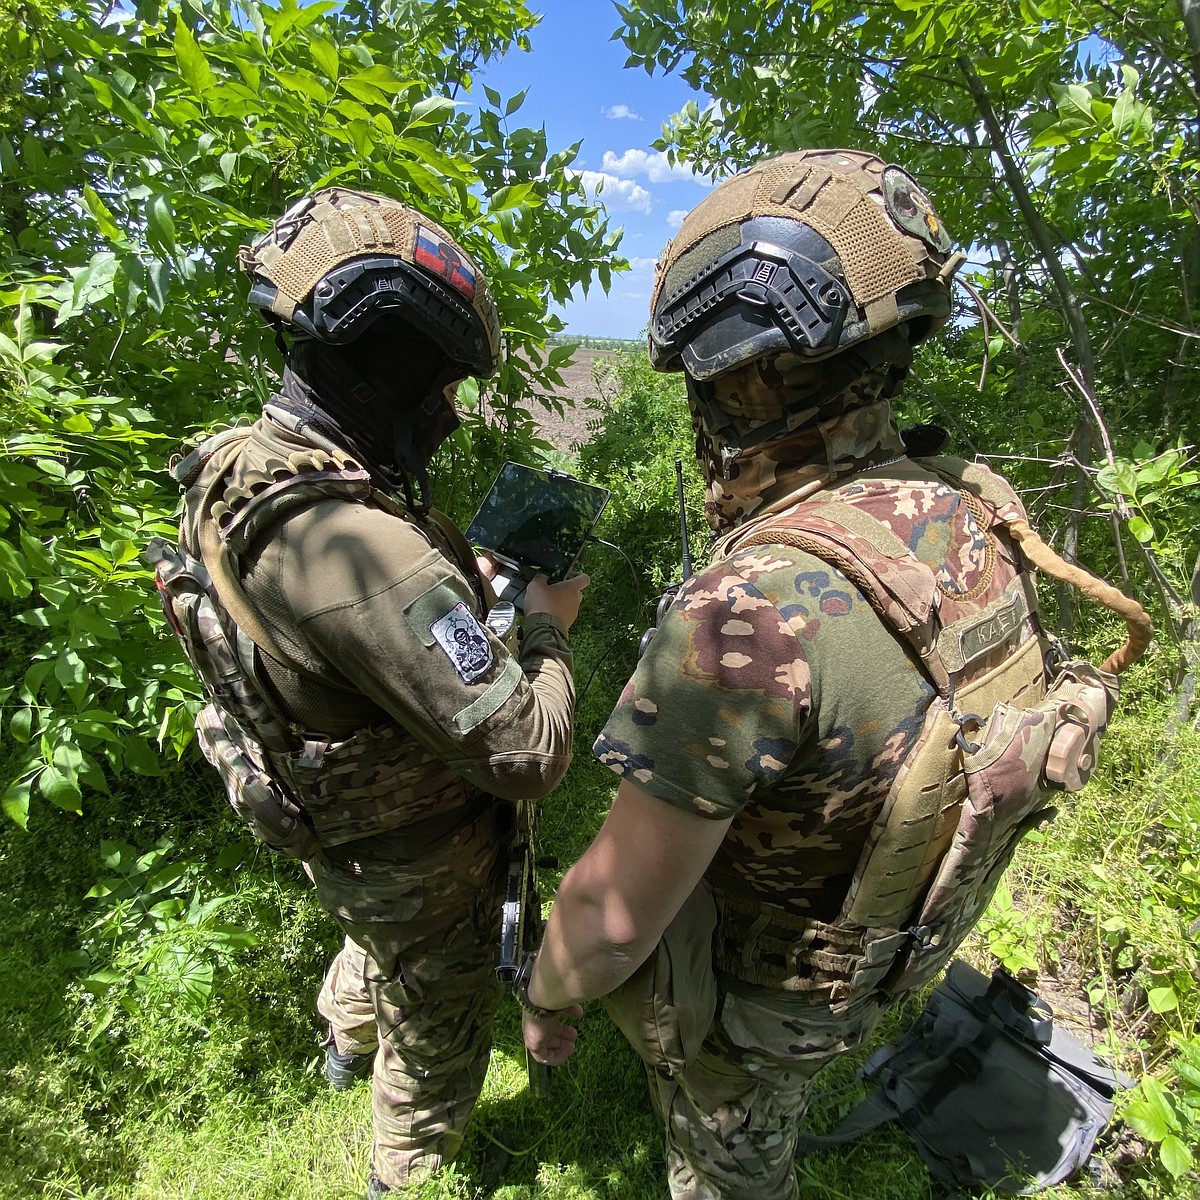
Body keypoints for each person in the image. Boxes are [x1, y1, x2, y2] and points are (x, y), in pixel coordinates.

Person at [518, 149, 1056, 1198]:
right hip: (886, 949)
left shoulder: (749, 610)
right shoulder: (965, 507)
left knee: (734, 1169)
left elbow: (613, 917)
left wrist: (545, 994)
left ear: (741, 372)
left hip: (759, 1007)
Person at [172, 188, 587, 1198]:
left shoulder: (243, 464)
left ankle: (338, 1045)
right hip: (418, 860)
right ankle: (407, 1172)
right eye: (438, 384)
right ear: (386, 363)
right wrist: (544, 626)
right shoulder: (361, 546)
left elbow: (352, 645)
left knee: (371, 946)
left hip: (342, 834)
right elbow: (528, 751)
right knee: (439, 1021)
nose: (446, 411)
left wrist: (450, 601)